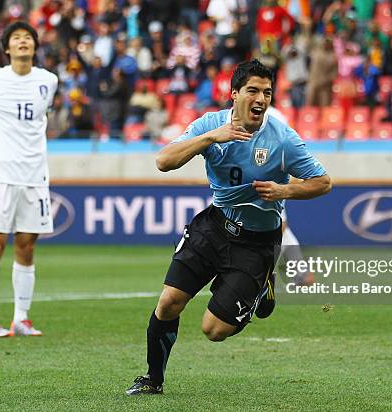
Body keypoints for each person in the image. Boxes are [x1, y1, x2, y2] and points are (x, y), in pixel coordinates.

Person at [126, 59, 332, 395]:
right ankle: (153, 379)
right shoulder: (211, 124)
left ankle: (263, 284)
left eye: (267, 92)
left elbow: (323, 183)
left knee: (214, 330)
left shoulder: (282, 138)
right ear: (234, 94)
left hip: (257, 243)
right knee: (168, 302)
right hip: (215, 227)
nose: (261, 99)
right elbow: (164, 161)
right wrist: (209, 138)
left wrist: (285, 190)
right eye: (253, 90)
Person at [0, 21, 59, 338]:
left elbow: (44, 118)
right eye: (17, 38)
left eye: (28, 38)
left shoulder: (49, 80)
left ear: (35, 46)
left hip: (35, 173)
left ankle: (21, 318)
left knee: (27, 245)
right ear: (7, 48)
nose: (23, 42)